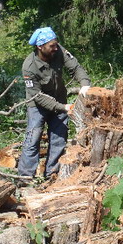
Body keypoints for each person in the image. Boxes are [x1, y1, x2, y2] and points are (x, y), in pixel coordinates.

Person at [18, 27, 91, 178]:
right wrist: (63, 107)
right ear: (40, 47)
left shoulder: (58, 51)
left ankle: (52, 173)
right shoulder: (29, 67)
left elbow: (76, 67)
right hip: (37, 105)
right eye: (51, 46)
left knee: (59, 138)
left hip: (59, 99)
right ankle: (25, 177)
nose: (55, 48)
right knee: (33, 138)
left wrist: (85, 84)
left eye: (56, 44)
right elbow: (37, 96)